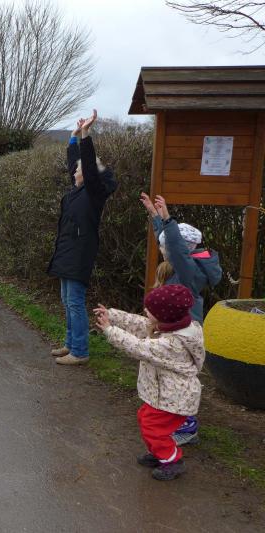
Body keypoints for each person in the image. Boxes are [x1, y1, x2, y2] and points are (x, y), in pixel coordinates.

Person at [94, 284, 205, 481]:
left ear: (164, 315)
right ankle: (159, 452)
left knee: (153, 427)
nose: (146, 310)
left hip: (175, 398)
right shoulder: (171, 326)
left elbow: (138, 347)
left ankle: (172, 460)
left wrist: (110, 330)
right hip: (165, 395)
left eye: (151, 310)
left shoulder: (172, 344)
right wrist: (113, 315)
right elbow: (140, 323)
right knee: (145, 418)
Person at [140, 193, 222, 446]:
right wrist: (156, 217)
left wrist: (167, 218)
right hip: (175, 332)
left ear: (182, 251)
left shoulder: (189, 272)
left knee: (180, 382)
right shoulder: (185, 265)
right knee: (171, 380)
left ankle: (187, 427)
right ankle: (176, 422)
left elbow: (173, 246)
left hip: (184, 335)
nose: (161, 249)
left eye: (164, 248)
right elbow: (169, 242)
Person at [47, 110, 117, 365]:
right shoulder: (77, 191)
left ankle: (80, 351)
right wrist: (73, 137)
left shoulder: (93, 192)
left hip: (79, 252)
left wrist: (86, 135)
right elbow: (74, 163)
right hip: (67, 251)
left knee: (75, 302)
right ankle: (71, 344)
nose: (74, 171)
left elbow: (86, 164)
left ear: (87, 174)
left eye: (79, 169)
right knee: (67, 301)